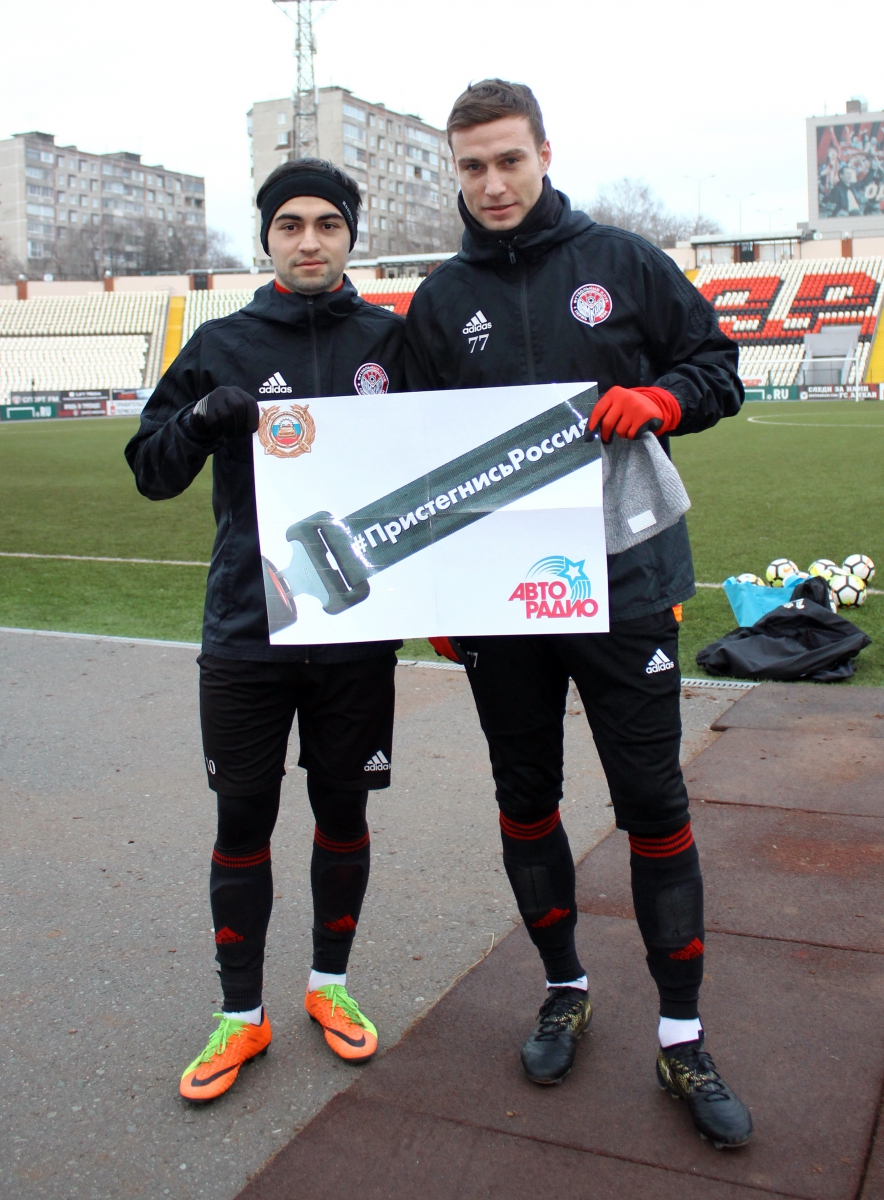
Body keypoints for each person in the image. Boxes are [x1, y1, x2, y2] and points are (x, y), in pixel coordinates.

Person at [405, 80, 752, 1148]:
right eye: (472, 166)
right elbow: (416, 459)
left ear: (544, 153)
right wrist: (440, 594)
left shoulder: (623, 262)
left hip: (627, 582)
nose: (492, 183)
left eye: (508, 159)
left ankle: (683, 1036)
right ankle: (564, 988)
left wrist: (663, 400)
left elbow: (717, 367)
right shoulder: (438, 301)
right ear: (455, 171)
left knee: (651, 801)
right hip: (501, 597)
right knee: (525, 796)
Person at [126, 158, 404, 1103]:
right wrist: (203, 419)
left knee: (343, 812)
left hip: (358, 633)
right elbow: (150, 470)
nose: (310, 241)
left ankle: (329, 986)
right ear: (268, 238)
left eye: (328, 223)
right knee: (242, 818)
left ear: (351, 235)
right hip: (249, 630)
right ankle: (240, 1015)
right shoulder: (220, 343)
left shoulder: (391, 343)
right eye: (291, 225)